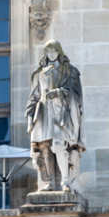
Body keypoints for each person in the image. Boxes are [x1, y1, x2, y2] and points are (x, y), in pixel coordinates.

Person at [26, 40, 84, 192]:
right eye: (48, 51)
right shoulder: (39, 74)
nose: (51, 54)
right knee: (45, 148)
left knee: (58, 146)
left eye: (54, 51)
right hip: (43, 114)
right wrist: (30, 117)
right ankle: (50, 182)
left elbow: (76, 94)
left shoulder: (69, 71)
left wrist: (58, 93)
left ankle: (65, 181)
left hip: (61, 114)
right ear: (45, 53)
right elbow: (34, 97)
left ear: (59, 52)